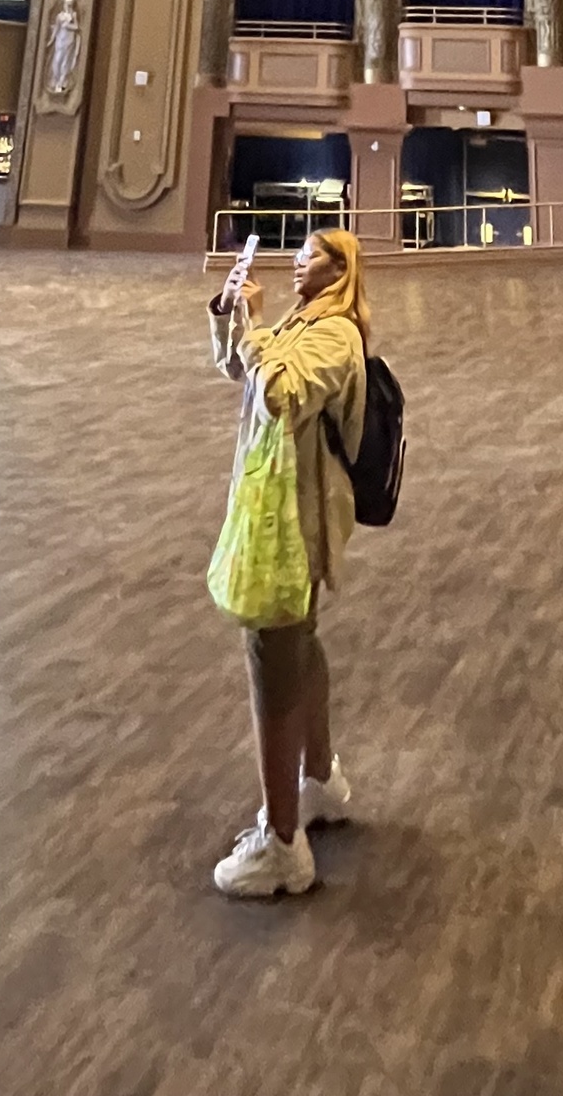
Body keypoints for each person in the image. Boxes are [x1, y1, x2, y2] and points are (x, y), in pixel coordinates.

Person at [205, 226, 370, 898]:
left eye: (312, 257)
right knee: (295, 642)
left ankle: (282, 845)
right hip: (272, 503)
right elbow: (243, 373)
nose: (298, 262)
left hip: (293, 518)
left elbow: (281, 394)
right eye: (298, 254)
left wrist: (255, 325)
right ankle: (320, 780)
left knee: (272, 655)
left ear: (341, 271)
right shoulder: (306, 323)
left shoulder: (337, 336)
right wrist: (231, 319)